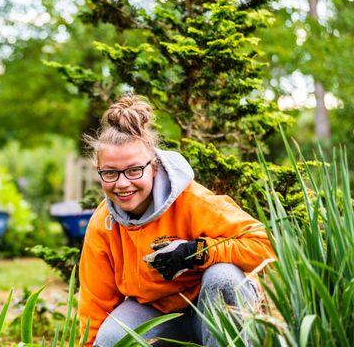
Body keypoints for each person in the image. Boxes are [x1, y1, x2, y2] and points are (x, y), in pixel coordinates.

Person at [78, 95, 274, 347]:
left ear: (155, 167)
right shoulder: (104, 224)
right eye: (110, 173)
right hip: (160, 315)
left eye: (134, 170)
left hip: (213, 308)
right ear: (100, 171)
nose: (122, 183)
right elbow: (95, 305)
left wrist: (198, 252)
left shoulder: (193, 200)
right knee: (112, 339)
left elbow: (265, 246)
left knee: (223, 276)